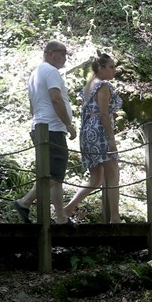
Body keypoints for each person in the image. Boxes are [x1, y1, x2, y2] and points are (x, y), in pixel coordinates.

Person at [13, 40, 76, 224]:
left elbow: (33, 106)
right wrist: (68, 124)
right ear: (49, 53)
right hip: (52, 129)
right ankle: (24, 202)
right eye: (62, 53)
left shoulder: (35, 74)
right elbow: (56, 99)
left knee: (53, 175)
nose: (65, 57)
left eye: (66, 53)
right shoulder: (50, 71)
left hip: (40, 127)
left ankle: (60, 217)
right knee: (54, 175)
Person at [64, 51, 123, 223]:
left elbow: (95, 110)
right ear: (101, 68)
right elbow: (103, 114)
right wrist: (112, 140)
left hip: (87, 133)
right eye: (111, 67)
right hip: (100, 133)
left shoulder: (90, 84)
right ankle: (115, 217)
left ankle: (68, 208)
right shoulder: (103, 85)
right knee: (113, 174)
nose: (114, 70)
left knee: (96, 179)